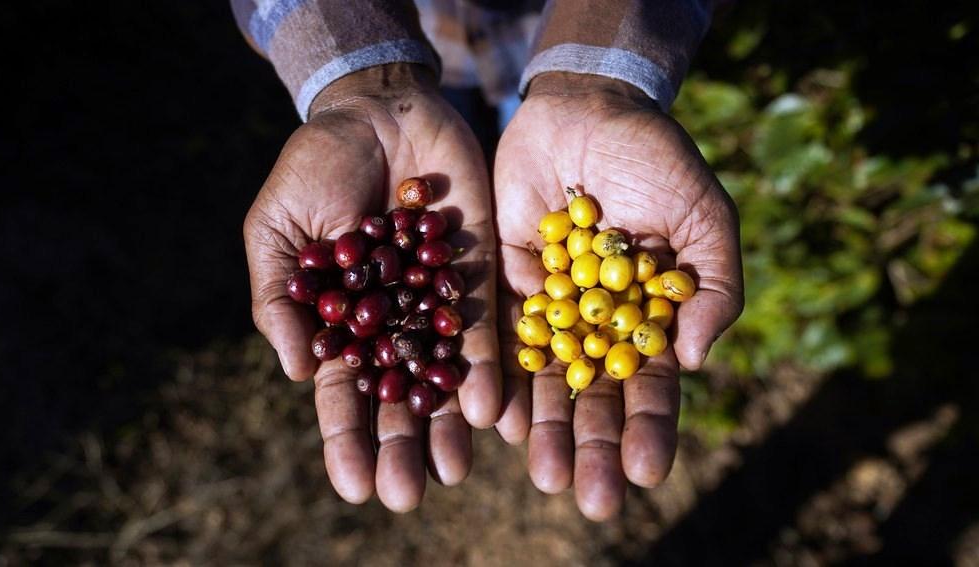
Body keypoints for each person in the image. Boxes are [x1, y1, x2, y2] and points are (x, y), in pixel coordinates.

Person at [234, 0, 743, 522]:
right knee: (455, 115)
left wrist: (595, 80)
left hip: (557, 35)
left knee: (506, 129)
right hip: (413, 38)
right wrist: (363, 80)